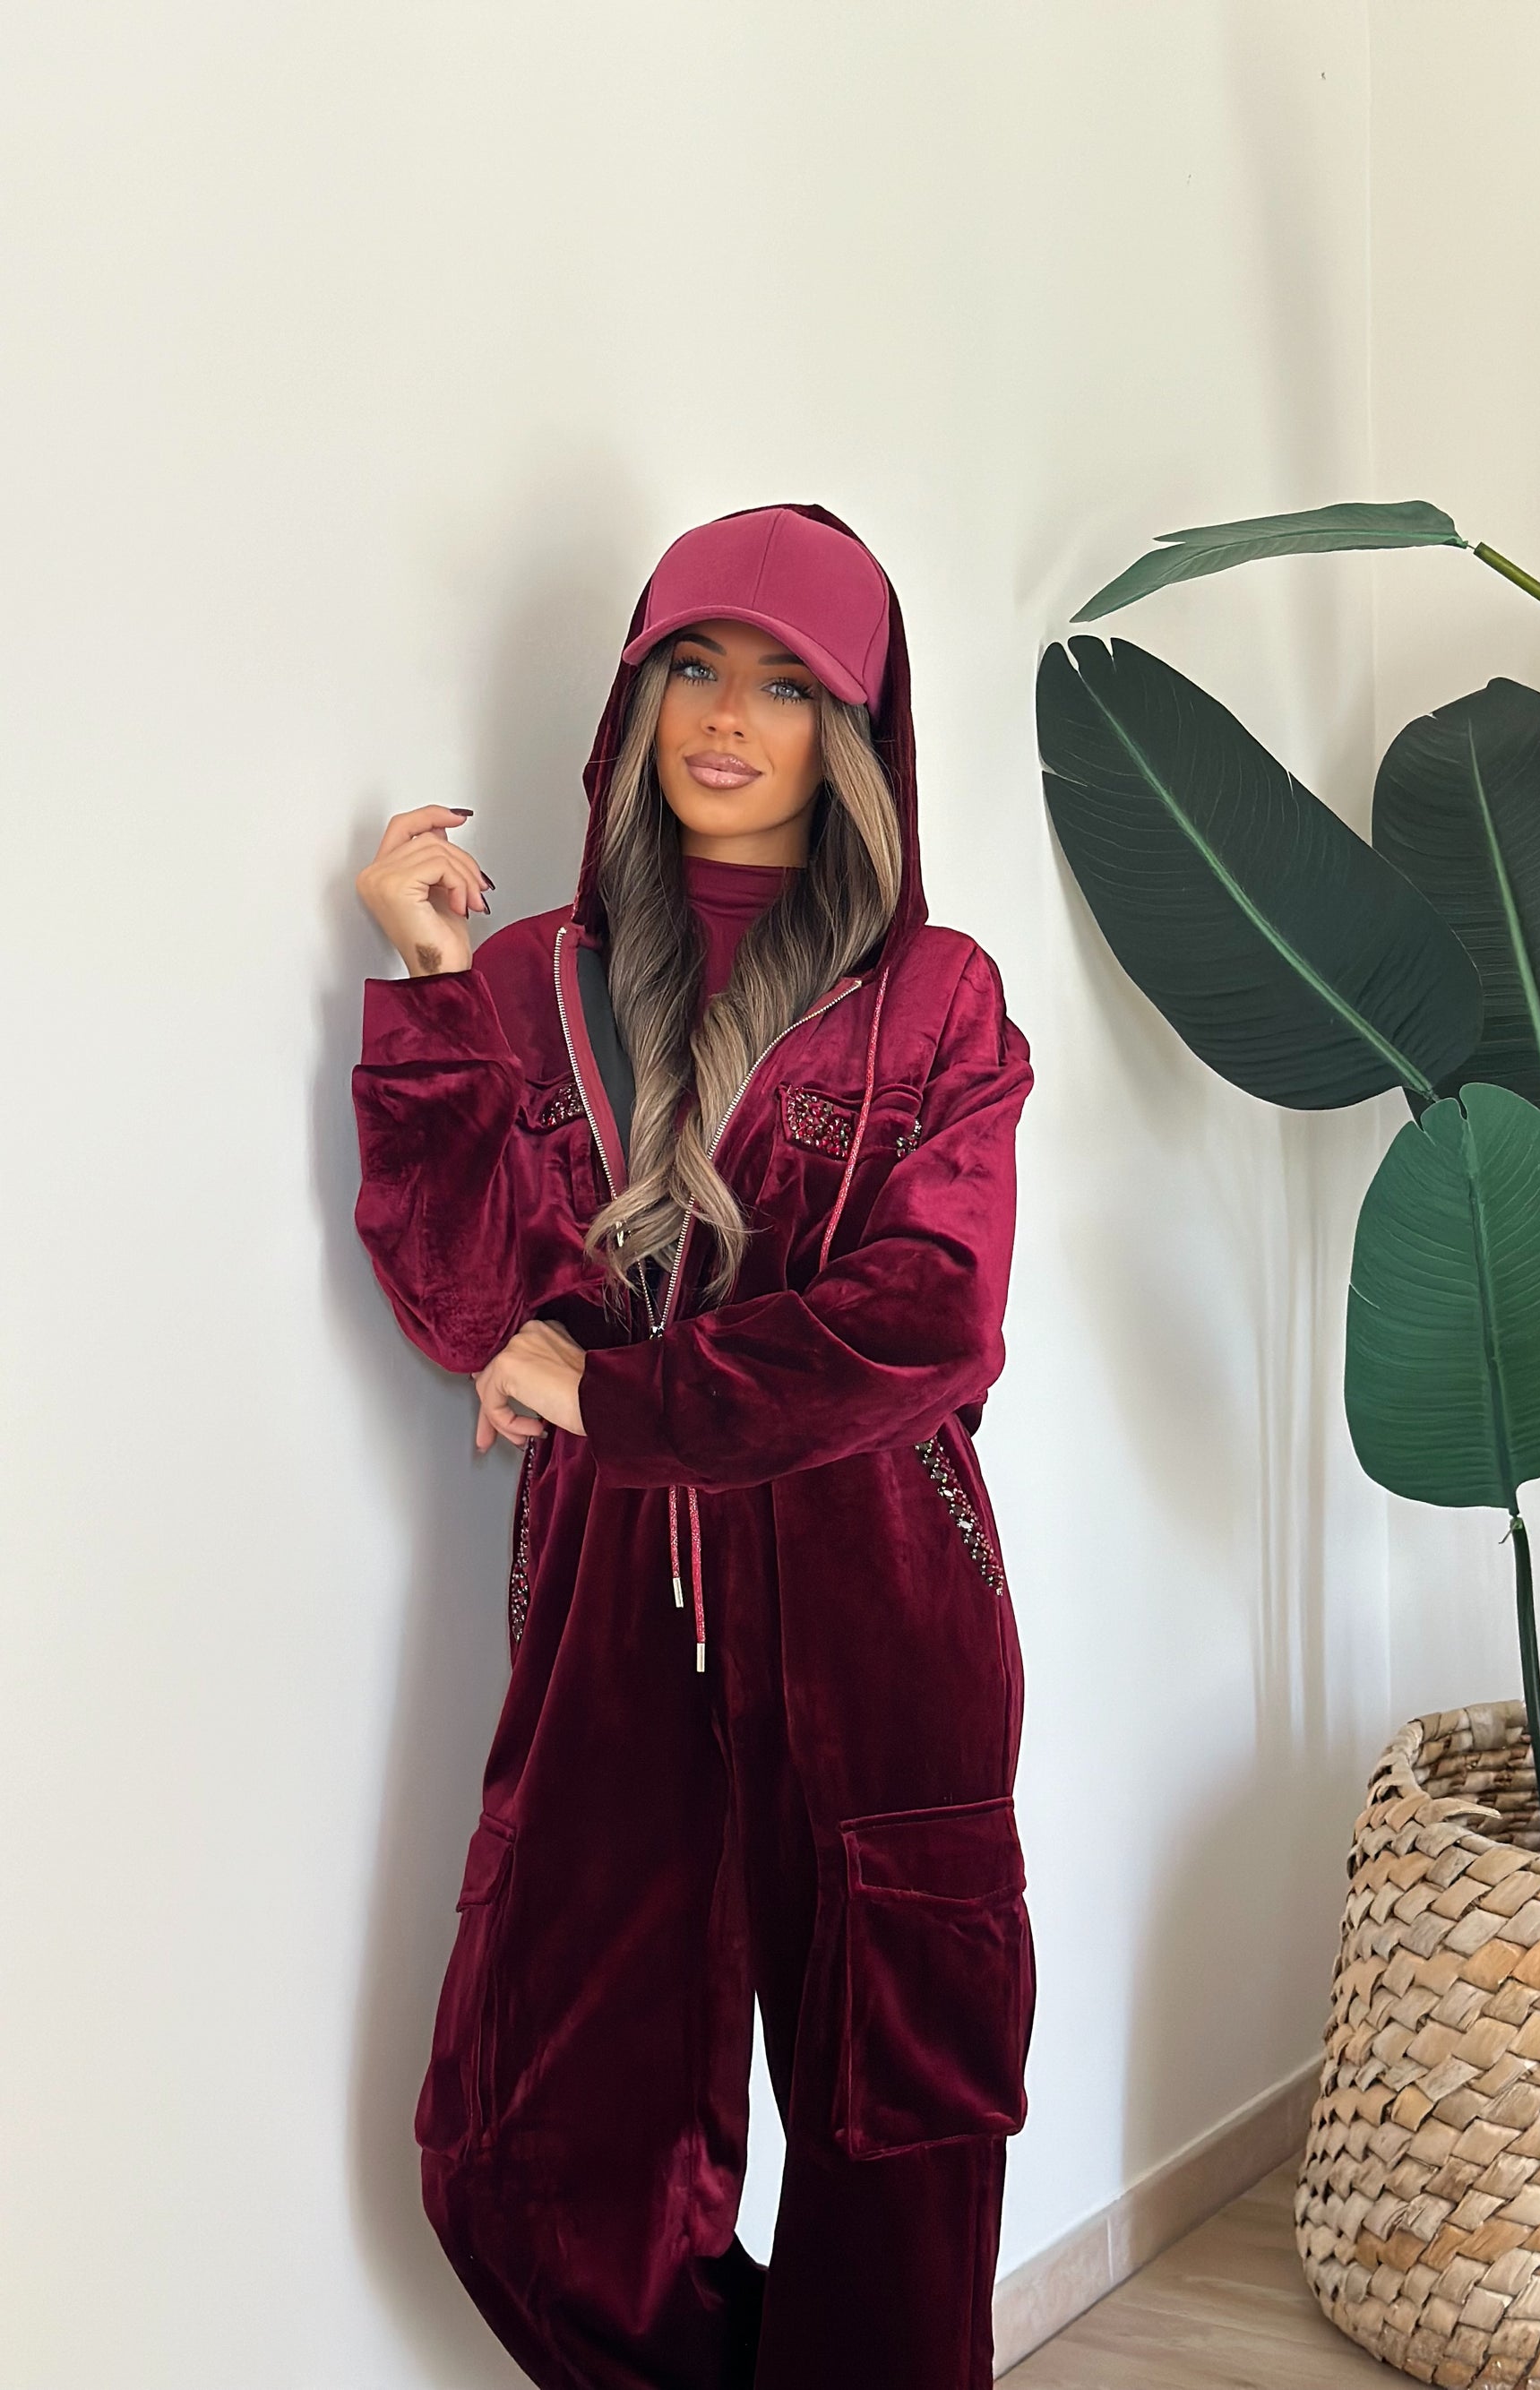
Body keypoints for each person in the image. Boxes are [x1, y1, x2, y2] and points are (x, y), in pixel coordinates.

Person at [352, 504, 1034, 2390]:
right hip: (610, 1630)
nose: (729, 719)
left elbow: (931, 1315)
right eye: (694, 669)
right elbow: (461, 1289)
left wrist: (610, 1388)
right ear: (637, 699)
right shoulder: (530, 983)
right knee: (528, 2156)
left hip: (884, 1614)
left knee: (900, 2139)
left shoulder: (935, 996)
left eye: (786, 686)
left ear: (855, 736)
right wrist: (426, 980)